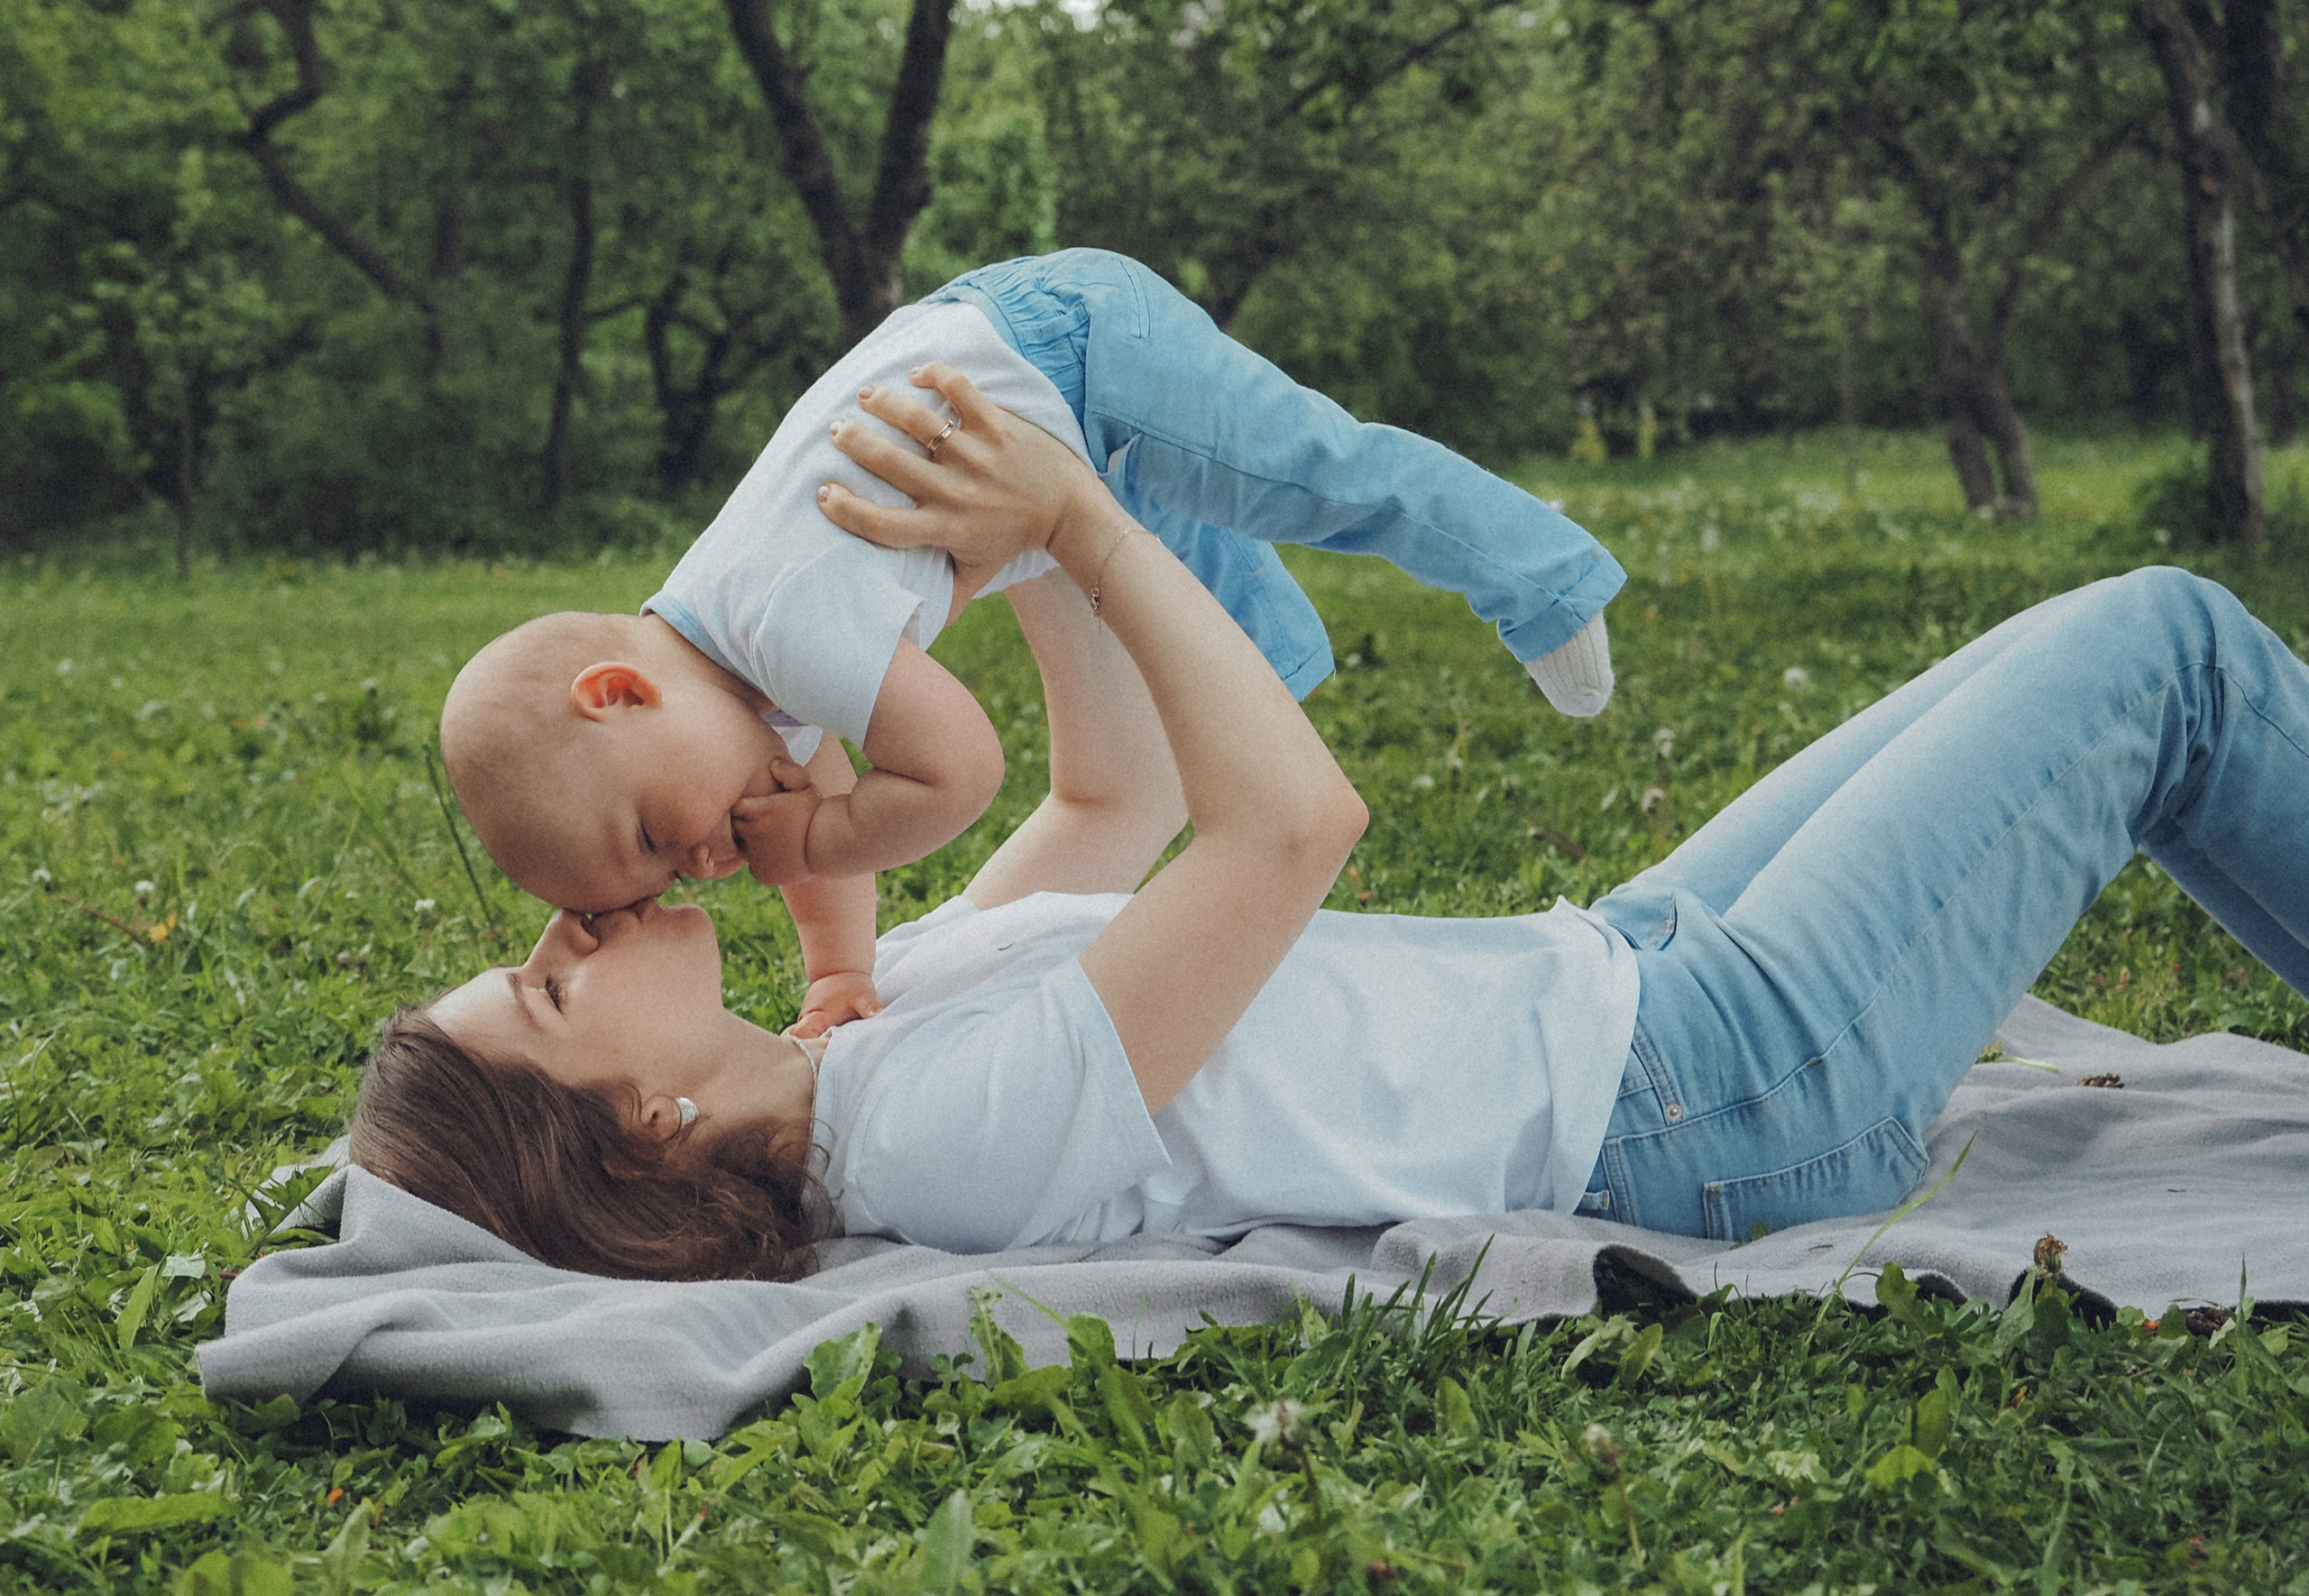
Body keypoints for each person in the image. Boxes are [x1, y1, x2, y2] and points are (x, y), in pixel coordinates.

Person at [354, 371, 2309, 1283]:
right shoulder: (933, 1145)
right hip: (1720, 1097)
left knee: (2084, 645)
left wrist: (1011, 519)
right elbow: (1282, 828)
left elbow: (1110, 800)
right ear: (648, 1133)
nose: (570, 927)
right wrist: (1093, 535)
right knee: (2161, 650)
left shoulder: (864, 1035)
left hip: (1629, 968)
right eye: (538, 991)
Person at [439, 250, 1624, 1032]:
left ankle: (1543, 576)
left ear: (618, 693)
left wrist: (826, 828)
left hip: (1076, 357)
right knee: (1203, 609)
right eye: (661, 876)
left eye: (653, 833)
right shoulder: (728, 666)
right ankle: (1283, 672)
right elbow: (822, 835)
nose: (699, 860)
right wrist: (838, 971)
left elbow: (959, 773)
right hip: (1037, 418)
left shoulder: (781, 618)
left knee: (1310, 473)